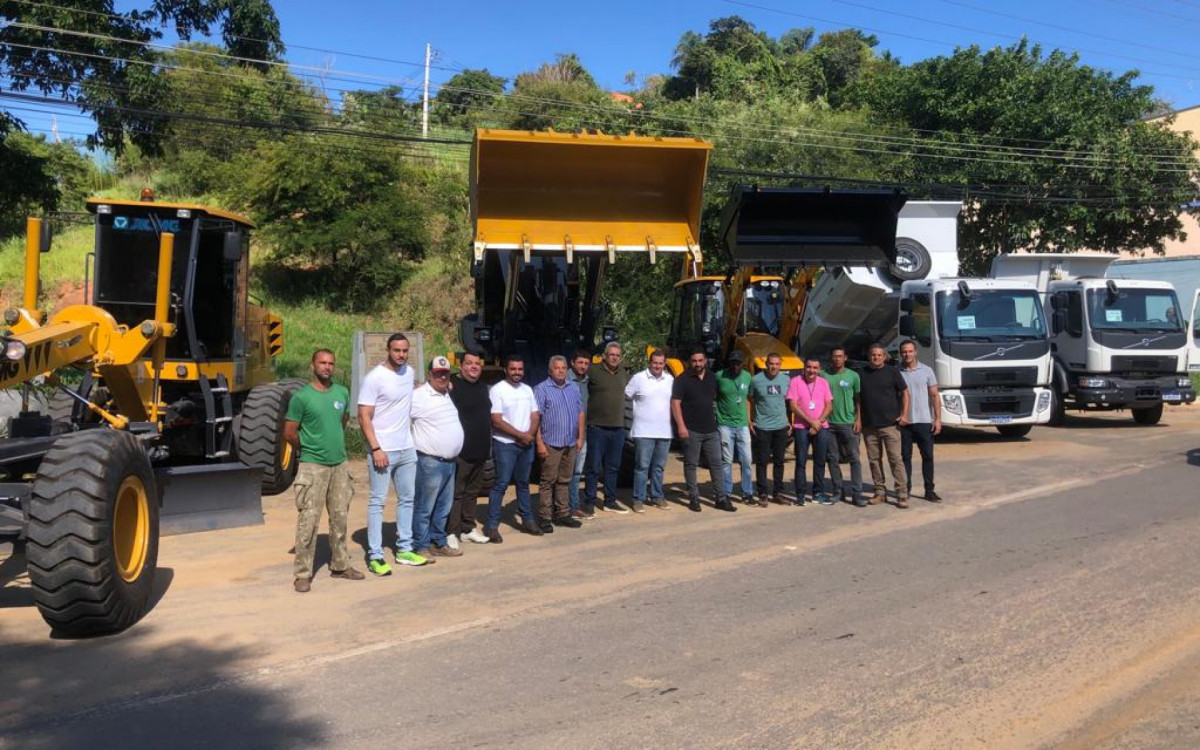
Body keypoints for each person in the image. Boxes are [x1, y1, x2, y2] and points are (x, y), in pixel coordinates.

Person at [283, 349, 363, 592]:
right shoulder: (302, 398)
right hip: (313, 466)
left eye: (331, 363)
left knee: (339, 517)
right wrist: (308, 448)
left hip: (339, 465)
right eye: (322, 363)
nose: (327, 367)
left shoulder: (341, 392)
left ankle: (340, 565)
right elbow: (289, 432)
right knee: (309, 520)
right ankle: (303, 574)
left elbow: (342, 419)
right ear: (312, 365)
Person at [358, 333, 428, 574]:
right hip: (383, 449)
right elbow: (363, 415)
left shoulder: (408, 373)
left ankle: (404, 550)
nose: (401, 355)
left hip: (407, 447)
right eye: (397, 350)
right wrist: (376, 448)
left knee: (408, 499)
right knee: (377, 502)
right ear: (388, 350)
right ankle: (375, 555)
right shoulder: (374, 378)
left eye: (405, 350)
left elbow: (413, 391)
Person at [411, 356, 465, 559]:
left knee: (443, 507)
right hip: (429, 461)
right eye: (438, 374)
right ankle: (421, 545)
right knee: (424, 506)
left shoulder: (446, 392)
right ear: (429, 375)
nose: (442, 377)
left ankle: (437, 542)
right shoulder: (418, 396)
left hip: (450, 462)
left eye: (445, 374)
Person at [672, 349, 736, 513]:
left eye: (700, 360)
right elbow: (675, 403)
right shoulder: (682, 380)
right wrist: (681, 425)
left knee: (716, 464)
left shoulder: (712, 377)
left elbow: (719, 398)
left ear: (706, 361)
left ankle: (721, 498)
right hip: (691, 430)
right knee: (691, 464)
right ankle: (694, 498)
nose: (698, 364)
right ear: (689, 362)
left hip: (711, 430)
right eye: (694, 361)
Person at [486, 354, 541, 540]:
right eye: (513, 369)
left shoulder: (527, 390)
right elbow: (496, 420)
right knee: (501, 484)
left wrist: (529, 435)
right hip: (506, 444)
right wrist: (520, 436)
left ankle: (528, 521)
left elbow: (535, 415)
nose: (517, 372)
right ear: (506, 370)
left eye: (520, 369)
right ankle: (492, 526)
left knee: (523, 484)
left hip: (526, 444)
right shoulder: (498, 390)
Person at [534, 356, 585, 531]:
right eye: (557, 368)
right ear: (550, 370)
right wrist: (539, 443)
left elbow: (580, 413)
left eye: (563, 368)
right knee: (548, 481)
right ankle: (545, 517)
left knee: (564, 479)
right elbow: (536, 419)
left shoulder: (573, 388)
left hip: (570, 443)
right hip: (551, 443)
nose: (561, 371)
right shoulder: (542, 389)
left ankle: (563, 513)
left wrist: (580, 438)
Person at [448, 349, 493, 546]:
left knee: (472, 493)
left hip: (481, 451)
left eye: (477, 363)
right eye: (469, 363)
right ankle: (451, 531)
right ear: (461, 365)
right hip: (461, 452)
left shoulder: (484, 388)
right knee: (456, 494)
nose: (473, 366)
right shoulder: (452, 385)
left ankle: (468, 528)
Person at [859, 343, 910, 508]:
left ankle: (901, 494)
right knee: (874, 460)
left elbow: (905, 393)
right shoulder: (862, 373)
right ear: (869, 356)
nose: (876, 357)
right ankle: (880, 492)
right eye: (873, 355)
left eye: (879, 355)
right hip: (869, 426)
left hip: (890, 425)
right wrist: (858, 419)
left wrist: (904, 414)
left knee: (895, 459)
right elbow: (858, 399)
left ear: (884, 356)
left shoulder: (892, 371)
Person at [624, 348, 674, 511]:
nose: (657, 366)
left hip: (664, 432)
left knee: (658, 467)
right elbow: (626, 397)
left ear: (664, 364)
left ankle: (657, 496)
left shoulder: (670, 379)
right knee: (642, 467)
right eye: (655, 363)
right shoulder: (638, 378)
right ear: (649, 363)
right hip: (643, 431)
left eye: (660, 363)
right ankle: (638, 499)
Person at [584, 342, 630, 516]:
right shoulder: (593, 371)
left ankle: (610, 501)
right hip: (597, 428)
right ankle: (589, 502)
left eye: (617, 355)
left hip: (617, 429)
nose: (614, 358)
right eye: (611, 354)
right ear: (604, 355)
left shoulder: (624, 374)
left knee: (612, 467)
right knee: (593, 467)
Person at [786, 357, 834, 506]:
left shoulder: (823, 382)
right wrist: (810, 421)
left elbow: (829, 406)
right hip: (801, 428)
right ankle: (800, 495)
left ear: (818, 369)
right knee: (800, 462)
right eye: (809, 367)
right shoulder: (795, 381)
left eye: (815, 368)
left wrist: (817, 423)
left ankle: (817, 494)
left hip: (820, 427)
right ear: (804, 368)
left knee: (819, 462)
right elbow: (793, 406)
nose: (811, 370)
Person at [898, 340, 942, 502]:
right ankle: (905, 489)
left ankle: (929, 490)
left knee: (928, 457)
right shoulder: (897, 371)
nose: (907, 354)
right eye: (904, 351)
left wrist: (937, 419)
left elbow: (934, 396)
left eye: (910, 351)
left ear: (916, 352)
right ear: (900, 353)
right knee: (905, 458)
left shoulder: (927, 371)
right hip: (904, 423)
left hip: (924, 421)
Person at [822, 347, 866, 507]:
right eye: (835, 356)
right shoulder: (824, 375)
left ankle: (857, 493)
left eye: (840, 356)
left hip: (848, 422)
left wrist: (858, 419)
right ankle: (837, 491)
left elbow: (858, 399)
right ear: (830, 358)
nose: (837, 359)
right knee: (833, 458)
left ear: (845, 358)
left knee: (854, 458)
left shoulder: (853, 376)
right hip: (829, 423)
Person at [750, 352, 791, 506]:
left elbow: (788, 402)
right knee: (762, 461)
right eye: (771, 364)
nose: (773, 367)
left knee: (779, 461)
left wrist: (789, 420)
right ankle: (762, 493)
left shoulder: (786, 380)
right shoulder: (756, 380)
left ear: (780, 365)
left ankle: (778, 493)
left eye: (776, 364)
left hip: (781, 427)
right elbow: (750, 400)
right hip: (763, 427)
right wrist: (750, 420)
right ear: (766, 364)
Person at [716, 351, 755, 505]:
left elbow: (747, 400)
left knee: (747, 460)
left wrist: (749, 420)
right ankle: (727, 492)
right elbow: (714, 397)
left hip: (742, 425)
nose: (735, 366)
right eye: (733, 363)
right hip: (725, 424)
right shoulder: (719, 376)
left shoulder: (747, 377)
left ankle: (747, 493)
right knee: (727, 460)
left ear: (742, 363)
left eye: (738, 363)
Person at [567, 350, 591, 521]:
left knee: (576, 473)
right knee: (564, 473)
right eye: (580, 362)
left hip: (583, 434)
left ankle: (573, 506)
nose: (583, 366)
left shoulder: (588, 381)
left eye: (586, 363)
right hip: (566, 434)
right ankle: (562, 507)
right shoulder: (565, 380)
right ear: (572, 362)